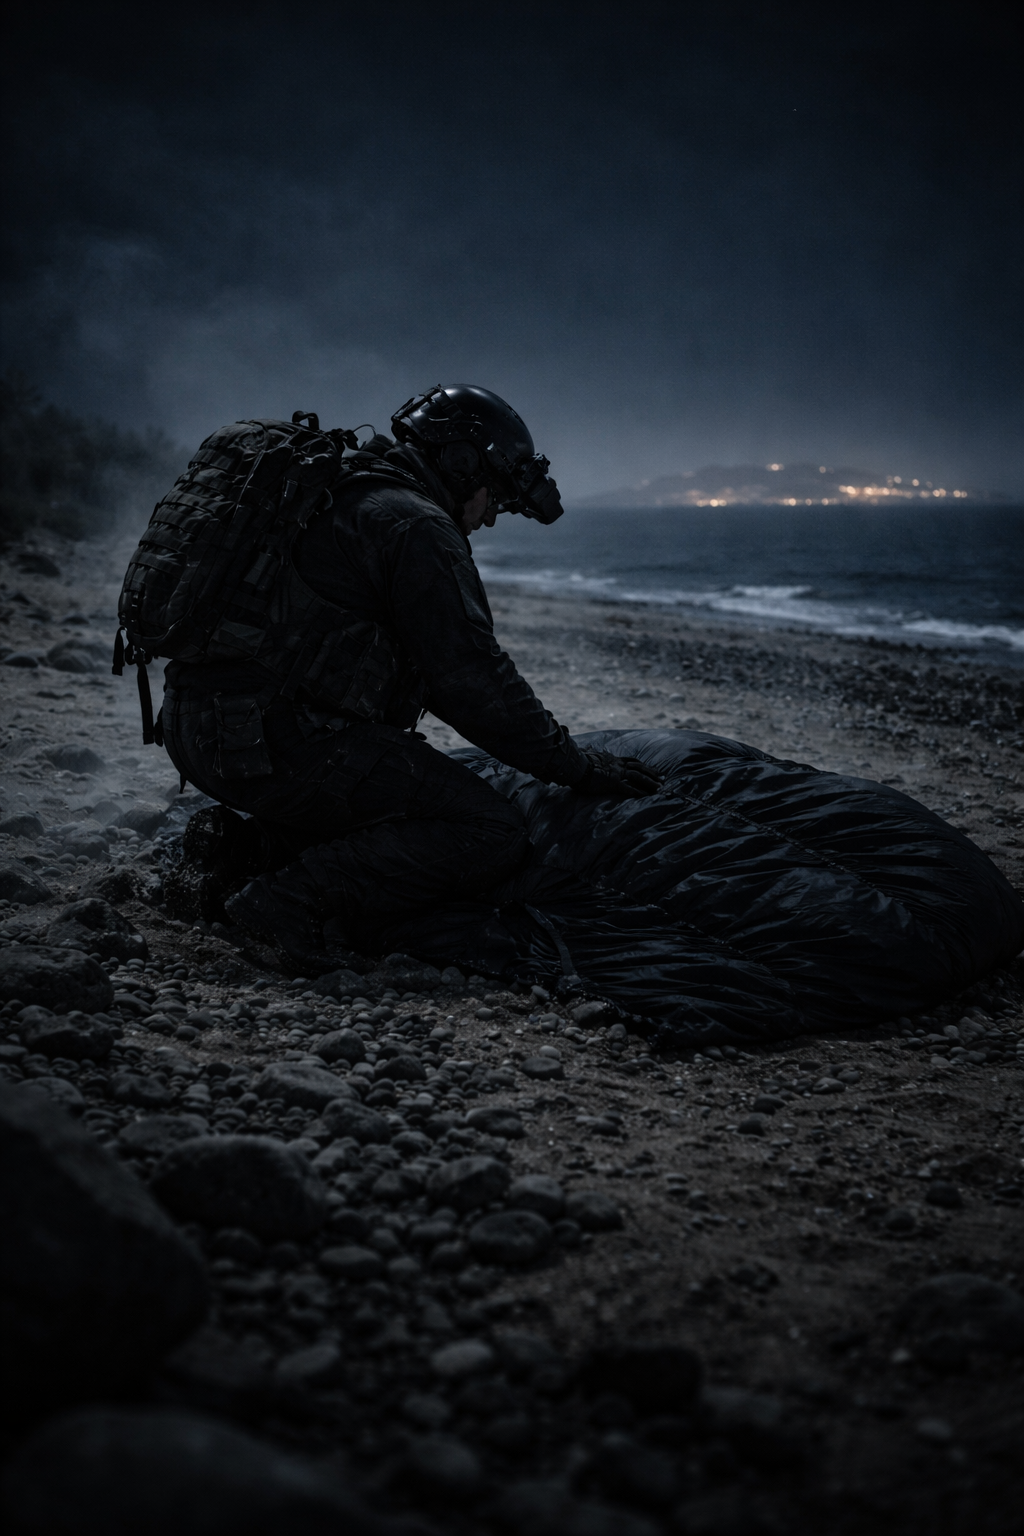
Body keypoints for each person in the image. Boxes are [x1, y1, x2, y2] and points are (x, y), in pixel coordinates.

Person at [161, 384, 661, 973]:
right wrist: (575, 765)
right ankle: (284, 903)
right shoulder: (414, 526)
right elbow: (472, 680)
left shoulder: (337, 486)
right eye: (494, 495)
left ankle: (241, 852)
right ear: (459, 463)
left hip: (196, 730)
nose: (493, 516)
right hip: (271, 745)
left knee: (390, 787)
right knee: (487, 829)